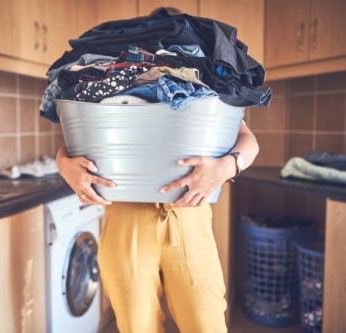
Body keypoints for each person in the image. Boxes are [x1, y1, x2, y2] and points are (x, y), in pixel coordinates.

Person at [54, 7, 261, 333]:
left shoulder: (204, 87)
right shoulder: (107, 83)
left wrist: (226, 166)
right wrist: (63, 163)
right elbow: (80, 134)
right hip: (125, 218)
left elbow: (247, 140)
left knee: (206, 324)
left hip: (189, 216)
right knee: (137, 327)